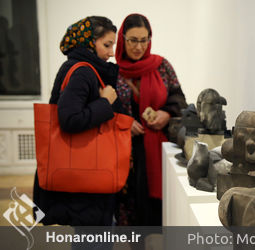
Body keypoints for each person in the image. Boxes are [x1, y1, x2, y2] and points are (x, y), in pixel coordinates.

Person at [33, 16, 123, 226]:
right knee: (92, 240)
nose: (111, 53)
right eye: (107, 45)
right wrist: (104, 102)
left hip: (81, 178)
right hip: (85, 181)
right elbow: (69, 119)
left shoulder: (84, 68)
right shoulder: (83, 72)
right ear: (89, 43)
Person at [115, 13, 187, 226]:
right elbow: (105, 110)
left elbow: (179, 98)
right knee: (132, 210)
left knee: (160, 213)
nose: (139, 47)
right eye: (133, 40)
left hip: (159, 148)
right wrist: (124, 123)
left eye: (143, 40)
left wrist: (166, 113)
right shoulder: (113, 72)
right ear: (122, 39)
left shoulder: (161, 66)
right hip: (126, 153)